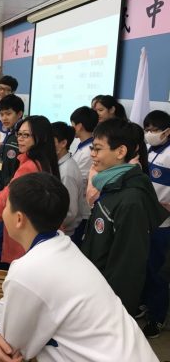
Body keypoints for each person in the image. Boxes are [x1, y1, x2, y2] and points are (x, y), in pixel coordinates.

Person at [0, 172, 159, 362]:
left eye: (6, 205)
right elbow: (15, 302)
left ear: (18, 219)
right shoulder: (62, 246)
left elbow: (10, 346)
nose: (2, 210)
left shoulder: (30, 270)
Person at [81, 118, 169, 314]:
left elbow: (127, 266)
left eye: (98, 149)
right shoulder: (112, 185)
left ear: (120, 152)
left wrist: (114, 312)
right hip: (95, 288)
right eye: (92, 148)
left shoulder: (131, 200)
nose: (92, 154)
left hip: (107, 303)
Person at [0, 115, 60, 267]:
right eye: (19, 134)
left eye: (26, 135)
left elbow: (6, 198)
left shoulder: (30, 167)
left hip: (23, 236)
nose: (20, 139)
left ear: (40, 138)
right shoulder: (43, 162)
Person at [138, 110, 170, 338]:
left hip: (164, 223)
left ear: (167, 131)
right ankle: (146, 304)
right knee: (144, 265)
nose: (149, 134)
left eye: (154, 130)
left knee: (158, 270)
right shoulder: (149, 150)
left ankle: (157, 317)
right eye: (147, 129)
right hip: (145, 218)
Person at [70, 106, 98, 246]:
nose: (71, 128)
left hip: (83, 210)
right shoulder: (82, 146)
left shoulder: (89, 151)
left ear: (79, 126)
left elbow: (79, 179)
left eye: (72, 124)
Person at [51, 121, 83, 236]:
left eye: (51, 141)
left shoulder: (67, 171)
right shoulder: (60, 164)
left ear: (63, 143)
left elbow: (70, 212)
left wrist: (48, 226)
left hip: (66, 233)